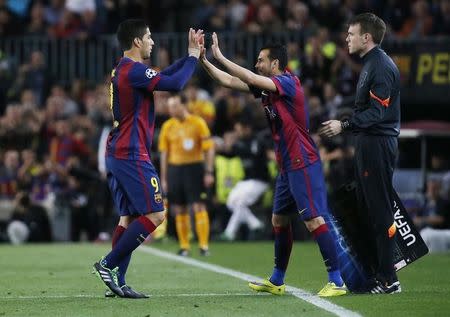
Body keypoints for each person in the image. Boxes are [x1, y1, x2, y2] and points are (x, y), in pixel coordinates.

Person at [200, 33, 346, 297]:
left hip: (303, 161)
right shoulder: (268, 88)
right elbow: (229, 80)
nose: (257, 64)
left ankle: (336, 281)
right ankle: (277, 279)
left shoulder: (288, 82)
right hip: (286, 165)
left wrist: (220, 56)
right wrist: (204, 60)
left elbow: (250, 78)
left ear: (275, 63)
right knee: (278, 219)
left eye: (261, 60)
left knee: (313, 220)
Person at [92, 19, 203, 298]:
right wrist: (191, 59)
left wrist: (190, 56)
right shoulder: (134, 70)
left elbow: (163, 75)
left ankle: (118, 281)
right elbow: (175, 83)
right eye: (149, 37)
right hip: (131, 153)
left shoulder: (126, 69)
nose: (153, 41)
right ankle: (108, 264)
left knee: (128, 217)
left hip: (118, 152)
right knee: (155, 214)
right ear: (138, 41)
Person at [319, 13, 402, 294]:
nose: (347, 39)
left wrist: (343, 125)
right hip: (368, 143)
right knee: (369, 211)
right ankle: (379, 274)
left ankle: (390, 279)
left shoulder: (379, 66)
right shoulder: (370, 64)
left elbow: (378, 112)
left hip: (377, 145)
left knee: (380, 211)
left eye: (351, 34)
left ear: (366, 38)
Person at [158, 93, 215, 256]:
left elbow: (209, 148)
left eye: (174, 106)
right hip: (175, 169)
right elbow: (164, 154)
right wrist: (164, 178)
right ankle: (184, 246)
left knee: (198, 205)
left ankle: (204, 245)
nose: (171, 109)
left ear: (183, 105)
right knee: (178, 208)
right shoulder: (168, 126)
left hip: (194, 168)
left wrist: (208, 171)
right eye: (170, 107)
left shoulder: (198, 123)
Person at [220, 116, 269, 241]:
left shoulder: (257, 140)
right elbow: (228, 154)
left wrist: (235, 145)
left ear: (247, 128)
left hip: (259, 180)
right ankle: (255, 223)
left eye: (239, 130)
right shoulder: (239, 143)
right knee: (231, 202)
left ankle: (229, 232)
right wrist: (228, 146)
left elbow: (254, 154)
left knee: (240, 202)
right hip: (246, 181)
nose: (237, 133)